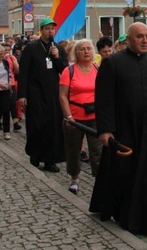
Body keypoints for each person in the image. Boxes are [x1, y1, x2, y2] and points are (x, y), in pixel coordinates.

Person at [89, 23, 147, 241]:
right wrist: (105, 130)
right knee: (126, 175)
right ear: (129, 39)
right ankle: (126, 215)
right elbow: (104, 100)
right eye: (140, 36)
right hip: (125, 130)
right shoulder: (113, 63)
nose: (145, 40)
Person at [17, 17, 68, 172]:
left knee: (52, 127)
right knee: (37, 125)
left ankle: (49, 160)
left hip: (52, 92)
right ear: (41, 30)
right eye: (47, 29)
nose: (50, 31)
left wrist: (57, 57)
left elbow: (64, 70)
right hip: (35, 92)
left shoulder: (58, 48)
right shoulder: (31, 48)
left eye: (52, 29)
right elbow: (23, 73)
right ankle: (35, 154)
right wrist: (22, 95)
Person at [58, 39, 102, 195]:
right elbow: (62, 96)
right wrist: (68, 116)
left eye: (89, 48)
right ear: (76, 52)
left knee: (97, 151)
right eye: (82, 49)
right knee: (73, 150)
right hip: (75, 118)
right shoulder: (68, 71)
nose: (86, 52)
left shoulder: (97, 69)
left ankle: (99, 181)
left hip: (95, 116)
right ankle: (75, 179)